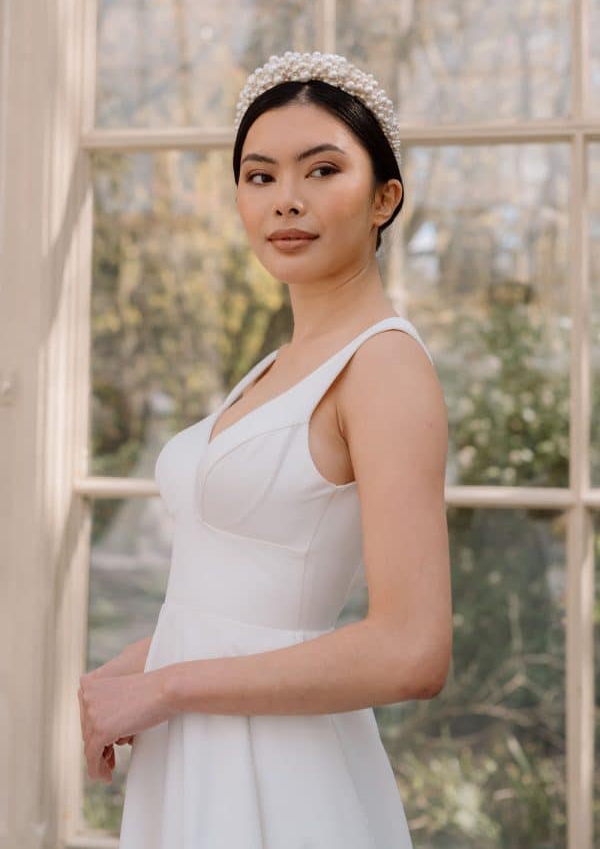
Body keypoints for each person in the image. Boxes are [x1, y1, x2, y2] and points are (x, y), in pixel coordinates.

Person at [78, 50, 452, 848]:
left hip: (280, 773)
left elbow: (413, 651)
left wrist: (166, 689)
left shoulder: (382, 366)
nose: (288, 201)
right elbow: (252, 602)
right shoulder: (278, 366)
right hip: (205, 751)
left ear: (385, 197)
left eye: (322, 171)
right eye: (260, 177)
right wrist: (133, 670)